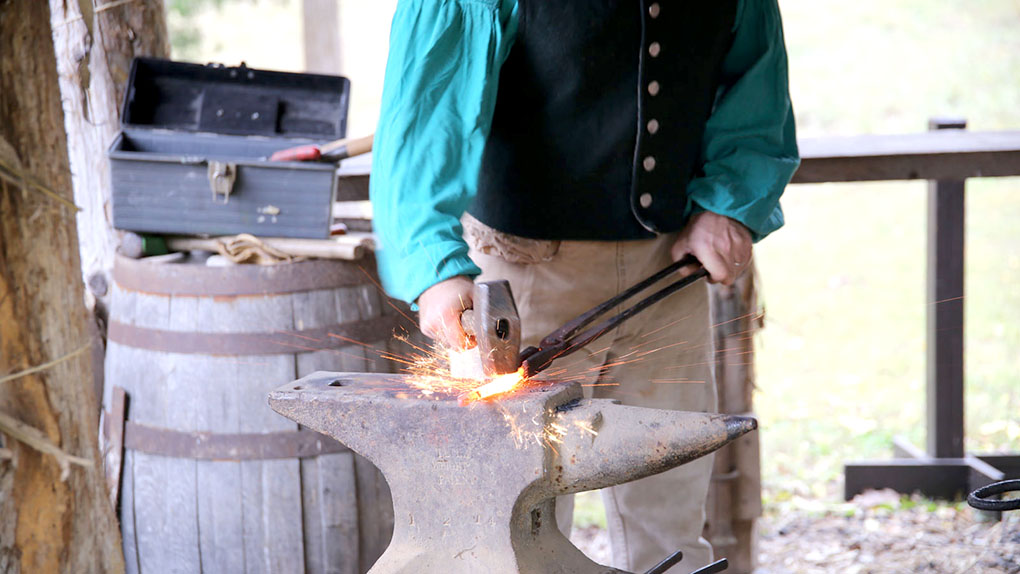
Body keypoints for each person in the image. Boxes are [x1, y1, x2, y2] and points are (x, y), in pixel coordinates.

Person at [370, 1, 799, 572]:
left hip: (669, 270)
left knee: (671, 525)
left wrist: (730, 203)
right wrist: (434, 267)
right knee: (513, 535)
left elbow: (755, 87)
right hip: (520, 279)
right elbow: (428, 111)